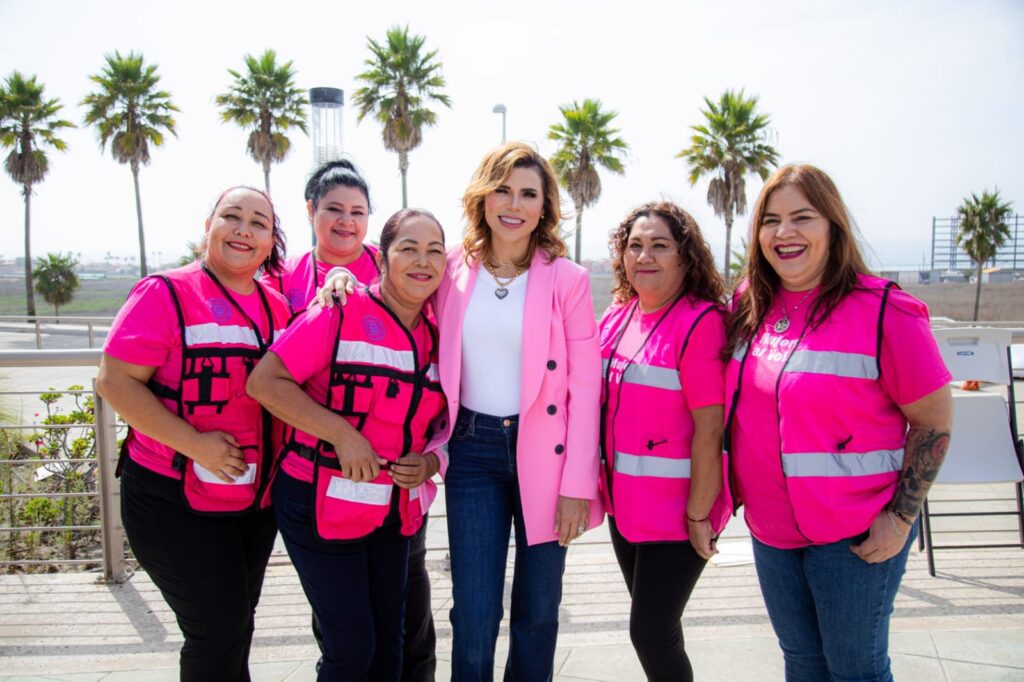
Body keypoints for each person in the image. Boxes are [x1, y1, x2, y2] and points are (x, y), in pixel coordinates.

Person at [321, 142, 603, 680]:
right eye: (502, 190)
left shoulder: (568, 279)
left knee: (537, 613)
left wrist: (577, 486)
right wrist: (343, 282)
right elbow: (393, 291)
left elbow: (586, 389)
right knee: (473, 611)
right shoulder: (452, 269)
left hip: (547, 455)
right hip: (471, 450)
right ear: (483, 196)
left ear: (544, 206)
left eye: (528, 193)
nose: (513, 204)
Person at [724, 164, 953, 681]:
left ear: (833, 226)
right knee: (803, 664)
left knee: (855, 670)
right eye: (771, 220)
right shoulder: (748, 306)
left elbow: (935, 420)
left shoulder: (885, 311)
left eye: (802, 217)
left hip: (854, 537)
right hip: (772, 533)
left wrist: (900, 518)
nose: (784, 233)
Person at [96, 186, 292, 681]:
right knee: (217, 629)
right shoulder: (165, 292)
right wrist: (194, 444)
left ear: (271, 242)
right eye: (232, 216)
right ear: (208, 227)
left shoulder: (277, 308)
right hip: (172, 501)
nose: (244, 229)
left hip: (251, 503)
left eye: (259, 223)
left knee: (234, 627)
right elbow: (113, 381)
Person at [246, 209, 449, 681]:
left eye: (434, 251)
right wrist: (341, 434)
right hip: (317, 502)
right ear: (383, 258)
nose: (422, 261)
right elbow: (265, 382)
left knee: (390, 644)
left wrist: (429, 459)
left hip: (391, 510)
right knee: (351, 648)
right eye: (408, 249)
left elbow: (447, 420)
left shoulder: (440, 335)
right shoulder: (340, 310)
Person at [599, 201, 730, 681]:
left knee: (651, 631)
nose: (644, 256)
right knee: (655, 628)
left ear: (685, 256)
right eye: (634, 245)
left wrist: (700, 513)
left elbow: (710, 429)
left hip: (678, 513)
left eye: (659, 245)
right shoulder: (619, 316)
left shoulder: (700, 321)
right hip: (626, 506)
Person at [264, 158, 380, 315]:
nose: (346, 221)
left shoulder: (389, 266)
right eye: (334, 209)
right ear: (312, 210)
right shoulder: (280, 275)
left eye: (357, 212)